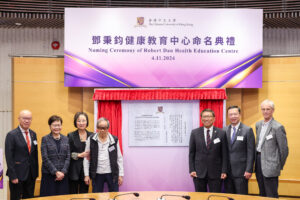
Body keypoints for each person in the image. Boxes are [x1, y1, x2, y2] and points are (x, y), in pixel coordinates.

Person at [255, 99, 289, 198]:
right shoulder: (258, 125)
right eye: (263, 109)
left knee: (271, 194)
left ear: (273, 110)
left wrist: (277, 165)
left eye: (268, 109)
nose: (265, 111)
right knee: (261, 193)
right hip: (258, 161)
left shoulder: (278, 127)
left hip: (271, 165)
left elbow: (284, 150)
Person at [189, 109, 228, 192]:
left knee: (215, 197)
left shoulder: (221, 133)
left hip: (216, 173)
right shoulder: (194, 133)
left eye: (209, 116)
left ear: (214, 118)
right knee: (199, 197)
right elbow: (191, 153)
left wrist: (224, 170)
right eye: (204, 116)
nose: (206, 119)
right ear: (201, 118)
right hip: (198, 173)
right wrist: (192, 169)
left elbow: (224, 154)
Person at [5, 110, 38, 200]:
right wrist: (13, 176)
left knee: (30, 198)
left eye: (29, 119)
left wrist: (35, 173)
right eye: (24, 118)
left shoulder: (33, 134)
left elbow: (35, 155)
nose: (27, 121)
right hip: (17, 175)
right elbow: (9, 157)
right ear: (19, 119)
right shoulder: (11, 135)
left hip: (31, 175)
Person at [83, 117, 124, 192]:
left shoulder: (114, 140)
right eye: (99, 128)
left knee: (114, 196)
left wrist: (121, 175)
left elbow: (119, 158)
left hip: (112, 173)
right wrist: (86, 175)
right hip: (97, 173)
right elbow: (86, 158)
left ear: (108, 128)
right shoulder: (91, 139)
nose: (102, 130)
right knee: (96, 196)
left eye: (104, 128)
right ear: (97, 128)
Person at [224, 106, 255, 194]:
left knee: (241, 196)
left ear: (240, 115)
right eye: (230, 114)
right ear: (228, 116)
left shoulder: (247, 130)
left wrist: (249, 169)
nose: (233, 116)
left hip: (241, 172)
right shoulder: (224, 130)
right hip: (227, 172)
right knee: (229, 196)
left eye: (235, 114)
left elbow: (251, 152)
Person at [40, 115, 70, 196]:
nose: (57, 127)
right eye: (54, 125)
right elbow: (45, 158)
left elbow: (68, 157)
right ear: (50, 126)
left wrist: (63, 172)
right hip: (49, 175)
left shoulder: (66, 139)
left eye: (59, 125)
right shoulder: (45, 139)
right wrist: (56, 172)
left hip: (63, 176)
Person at [68, 112, 93, 194]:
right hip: (73, 170)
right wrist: (79, 155)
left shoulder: (92, 136)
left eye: (83, 120)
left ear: (87, 122)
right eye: (79, 121)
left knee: (84, 194)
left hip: (87, 171)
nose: (81, 123)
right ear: (75, 122)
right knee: (73, 194)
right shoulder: (70, 135)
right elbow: (67, 154)